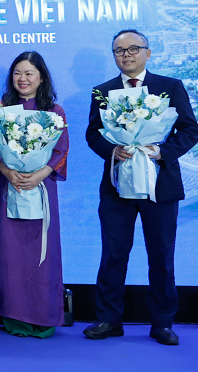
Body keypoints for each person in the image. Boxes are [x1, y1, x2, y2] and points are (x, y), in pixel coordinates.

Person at [84, 29, 198, 346]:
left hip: (160, 187)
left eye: (133, 49)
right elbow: (93, 134)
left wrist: (162, 152)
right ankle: (109, 320)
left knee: (161, 255)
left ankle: (162, 323)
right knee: (113, 254)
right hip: (117, 189)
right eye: (119, 50)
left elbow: (190, 129)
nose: (127, 55)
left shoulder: (169, 86)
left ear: (147, 52)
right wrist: (113, 150)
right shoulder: (102, 91)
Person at [0, 51, 68, 338]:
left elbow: (60, 150)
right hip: (8, 187)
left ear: (41, 77)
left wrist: (40, 174)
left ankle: (43, 316)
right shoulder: (1, 109)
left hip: (41, 188)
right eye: (17, 73)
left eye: (29, 73)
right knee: (9, 253)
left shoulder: (54, 112)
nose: (23, 78)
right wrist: (8, 172)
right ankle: (13, 316)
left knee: (42, 253)